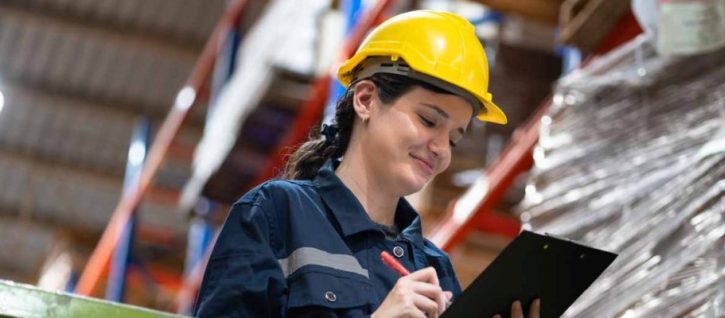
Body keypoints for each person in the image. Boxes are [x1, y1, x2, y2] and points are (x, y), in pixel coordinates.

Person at [194, 10, 540, 318]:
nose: (440, 149)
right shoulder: (275, 215)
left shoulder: (436, 268)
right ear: (366, 99)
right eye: (429, 120)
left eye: (453, 138)